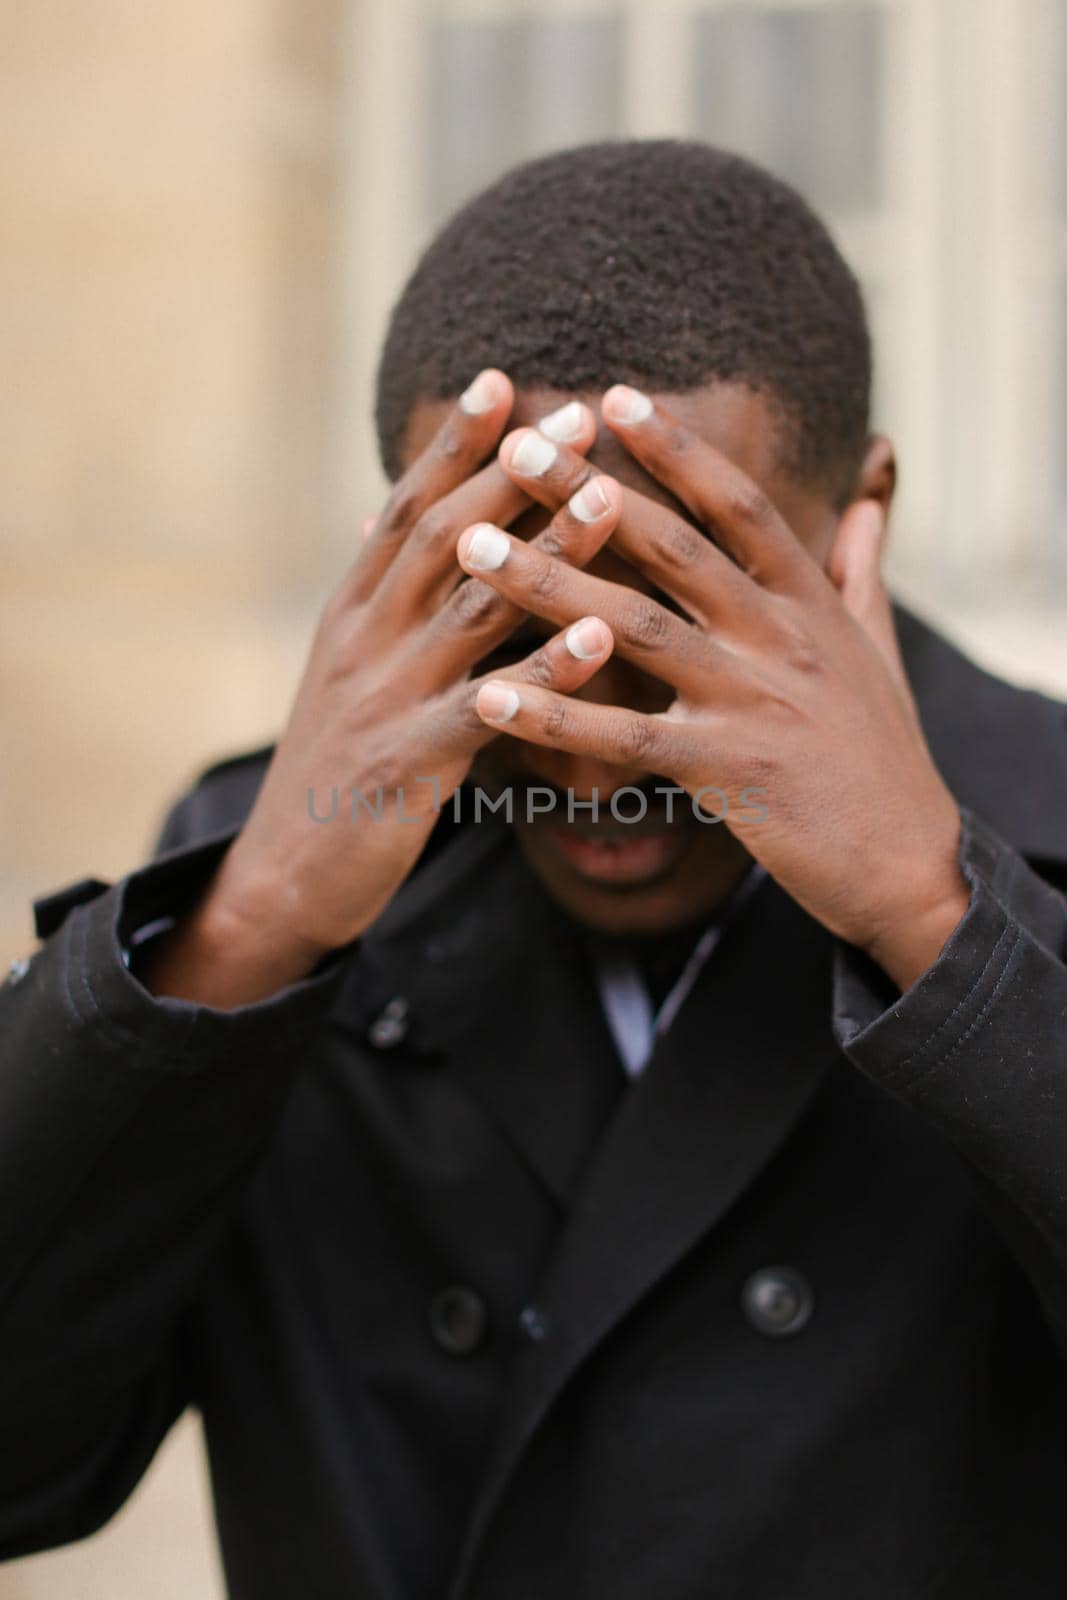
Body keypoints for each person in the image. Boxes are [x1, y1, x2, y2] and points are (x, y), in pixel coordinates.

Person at [2, 140, 1065, 1600]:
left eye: (682, 618)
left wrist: (937, 924)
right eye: (515, 622)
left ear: (856, 518)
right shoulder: (265, 878)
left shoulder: (1040, 850)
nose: (590, 759)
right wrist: (246, 928)